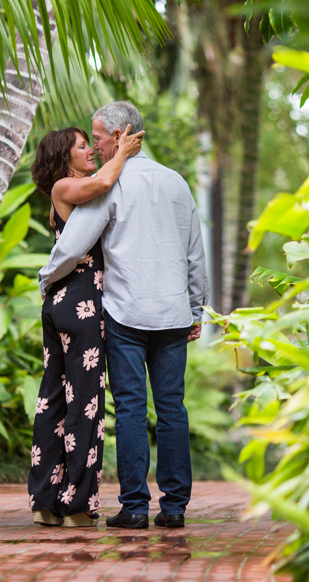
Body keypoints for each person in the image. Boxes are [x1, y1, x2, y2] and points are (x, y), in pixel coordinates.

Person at [38, 101, 208, 530]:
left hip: (125, 314)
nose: (95, 147)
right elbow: (195, 252)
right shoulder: (176, 183)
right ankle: (174, 507)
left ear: (119, 135)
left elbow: (74, 243)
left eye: (97, 138)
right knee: (172, 408)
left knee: (131, 408)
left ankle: (134, 508)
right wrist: (195, 308)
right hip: (172, 314)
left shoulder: (111, 183)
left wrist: (46, 277)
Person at [27, 123, 144, 528]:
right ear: (65, 157)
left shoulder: (73, 189)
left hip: (59, 303)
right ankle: (77, 505)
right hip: (81, 304)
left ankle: (46, 502)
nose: (90, 150)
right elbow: (104, 182)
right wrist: (123, 151)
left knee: (54, 400)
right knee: (85, 403)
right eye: (82, 146)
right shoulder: (65, 187)